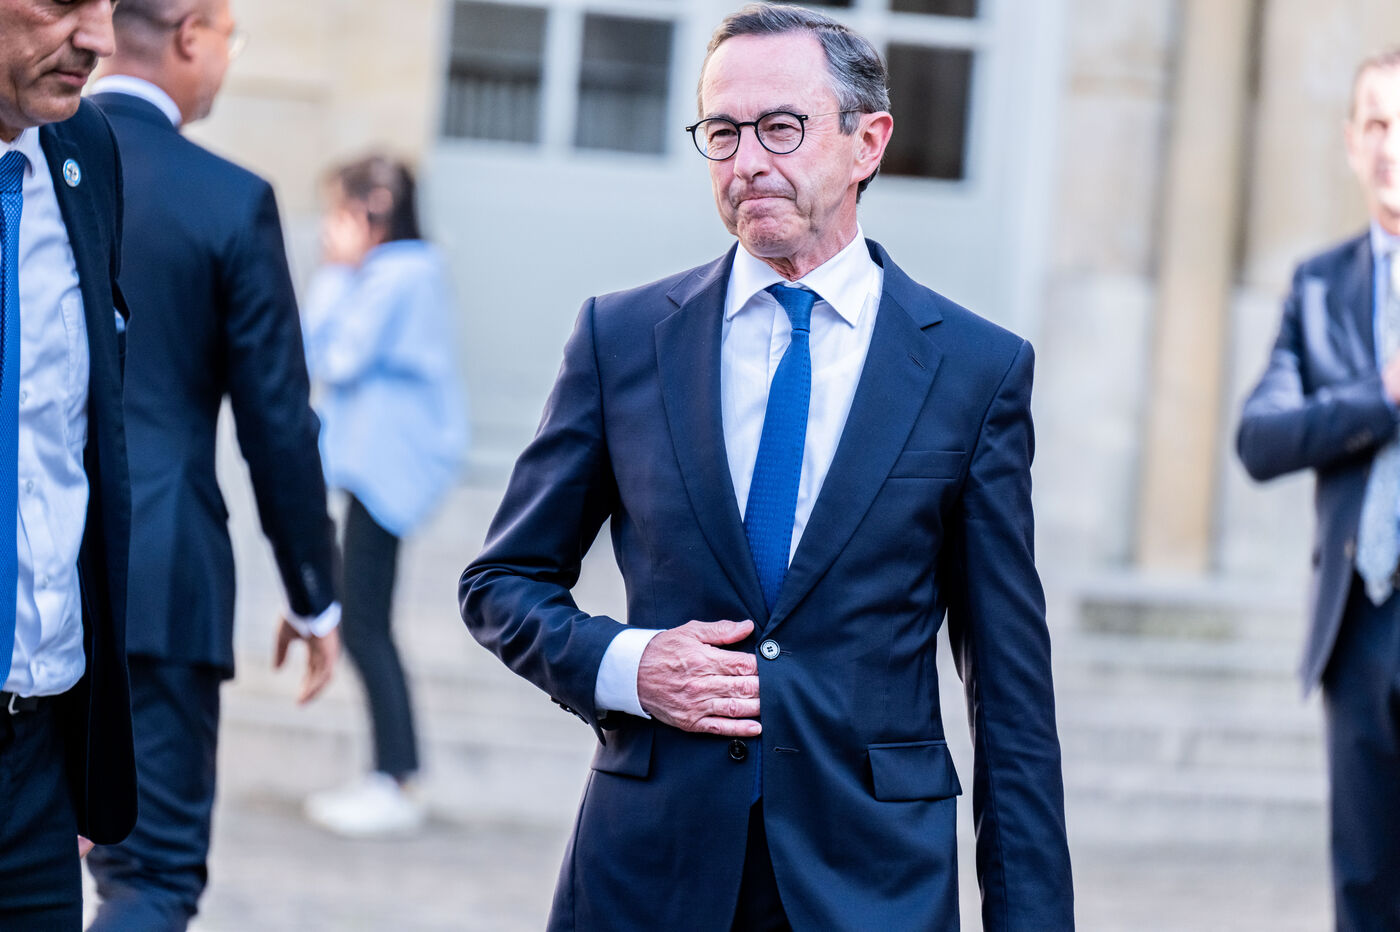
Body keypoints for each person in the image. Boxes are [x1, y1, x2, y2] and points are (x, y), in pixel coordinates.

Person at [459, 5, 1073, 928]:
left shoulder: (975, 370)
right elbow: (502, 581)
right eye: (722, 132)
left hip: (873, 883)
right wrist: (630, 664)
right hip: (649, 875)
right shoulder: (620, 339)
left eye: (781, 127)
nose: (746, 160)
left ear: (868, 142)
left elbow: (1010, 692)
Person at [81, 1, 342, 928]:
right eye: (231, 39)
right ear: (191, 33)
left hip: (20, 563)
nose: (229, 60)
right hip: (158, 580)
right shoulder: (227, 199)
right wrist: (314, 595)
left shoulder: (26, 166)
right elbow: (278, 425)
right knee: (149, 876)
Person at [1237, 48, 1400, 932]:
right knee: (1366, 888)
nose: (1391, 146)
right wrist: (1381, 398)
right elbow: (1260, 439)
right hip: (1361, 625)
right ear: (1349, 142)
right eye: (1376, 124)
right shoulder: (1320, 287)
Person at [0, 1, 136, 928]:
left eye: (111, 3)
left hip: (37, 757)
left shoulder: (87, 151)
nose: (100, 41)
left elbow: (72, 447)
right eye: (62, 1)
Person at [301, 154, 468, 837]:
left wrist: (336, 274)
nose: (327, 229)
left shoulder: (396, 275)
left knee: (365, 623)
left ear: (370, 210)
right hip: (380, 467)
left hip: (386, 469)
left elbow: (330, 357)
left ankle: (394, 780)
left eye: (337, 211)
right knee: (367, 620)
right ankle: (392, 775)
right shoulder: (407, 272)